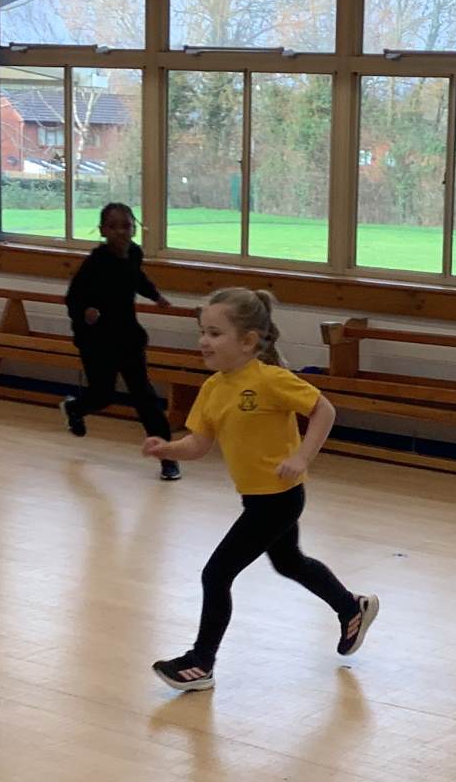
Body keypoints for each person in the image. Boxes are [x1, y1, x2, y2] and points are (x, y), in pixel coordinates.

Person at [141, 287, 377, 690]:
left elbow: (324, 410)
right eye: (203, 332)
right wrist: (168, 449)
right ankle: (351, 606)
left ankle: (201, 663)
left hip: (280, 499)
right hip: (256, 498)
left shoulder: (270, 380)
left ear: (248, 341)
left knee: (216, 574)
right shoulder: (213, 388)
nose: (204, 341)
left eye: (215, 333)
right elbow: (199, 444)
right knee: (289, 562)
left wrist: (302, 457)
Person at [63, 202, 179, 480]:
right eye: (113, 227)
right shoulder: (95, 262)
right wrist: (85, 312)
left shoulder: (134, 254)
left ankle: (167, 456)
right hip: (96, 339)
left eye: (126, 226)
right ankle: (75, 408)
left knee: (144, 397)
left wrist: (156, 296)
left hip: (127, 335)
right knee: (103, 395)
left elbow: (137, 279)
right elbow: (73, 298)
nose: (121, 232)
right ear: (103, 230)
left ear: (133, 228)